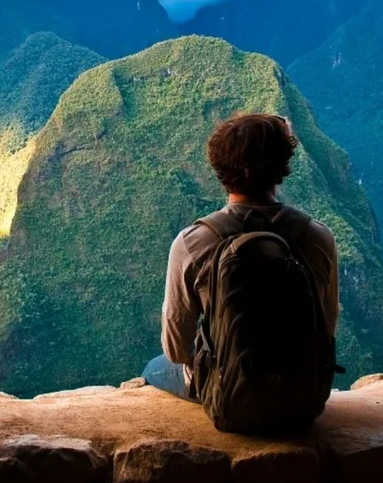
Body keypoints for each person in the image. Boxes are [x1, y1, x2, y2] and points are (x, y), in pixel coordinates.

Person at [143, 113, 339, 409]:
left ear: (219, 169)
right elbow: (327, 325)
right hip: (302, 396)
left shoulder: (193, 242)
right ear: (282, 166)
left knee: (153, 368)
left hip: (230, 397)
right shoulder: (318, 237)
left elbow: (176, 350)